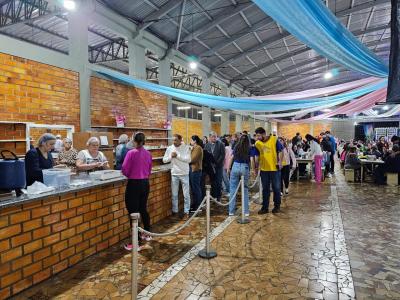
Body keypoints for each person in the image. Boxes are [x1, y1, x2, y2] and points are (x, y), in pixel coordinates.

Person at [121, 132, 152, 251]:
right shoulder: (148, 153)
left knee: (133, 213)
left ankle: (136, 242)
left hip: (134, 184)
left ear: (134, 141)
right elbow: (149, 169)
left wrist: (130, 174)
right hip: (145, 183)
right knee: (143, 209)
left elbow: (124, 169)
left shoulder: (131, 153)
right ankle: (147, 234)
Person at [255, 127, 283, 214]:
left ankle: (277, 206)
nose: (257, 137)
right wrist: (256, 167)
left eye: (259, 135)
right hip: (264, 169)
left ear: (264, 134)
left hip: (274, 169)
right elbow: (257, 156)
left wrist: (280, 162)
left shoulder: (274, 139)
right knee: (265, 189)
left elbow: (281, 151)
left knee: (276, 188)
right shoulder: (257, 143)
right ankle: (265, 207)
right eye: (256, 136)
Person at [163, 134, 191, 219]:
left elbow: (188, 160)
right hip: (174, 174)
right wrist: (170, 156)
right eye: (173, 140)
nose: (174, 142)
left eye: (176, 140)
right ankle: (175, 212)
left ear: (180, 140)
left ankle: (186, 212)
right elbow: (164, 160)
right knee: (174, 194)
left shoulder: (186, 148)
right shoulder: (170, 148)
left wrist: (177, 156)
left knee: (186, 195)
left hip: (184, 173)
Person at [227, 135, 251, 216]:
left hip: (235, 166)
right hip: (245, 166)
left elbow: (231, 157)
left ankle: (231, 211)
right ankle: (246, 212)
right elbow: (251, 159)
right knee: (245, 189)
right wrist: (254, 168)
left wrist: (228, 168)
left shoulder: (236, 146)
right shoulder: (249, 147)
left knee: (233, 189)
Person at [204, 132, 225, 201]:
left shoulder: (221, 144)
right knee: (213, 181)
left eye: (215, 136)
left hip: (218, 166)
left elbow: (222, 155)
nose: (214, 138)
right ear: (209, 137)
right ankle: (214, 195)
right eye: (213, 137)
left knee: (218, 181)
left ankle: (218, 196)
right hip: (210, 167)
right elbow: (205, 155)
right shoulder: (207, 145)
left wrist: (216, 163)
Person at [189, 135, 203, 212]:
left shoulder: (198, 148)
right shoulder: (194, 148)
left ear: (195, 141)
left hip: (196, 170)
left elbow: (192, 159)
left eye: (191, 140)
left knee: (196, 188)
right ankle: (195, 204)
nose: (190, 141)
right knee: (193, 188)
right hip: (193, 170)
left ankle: (198, 206)